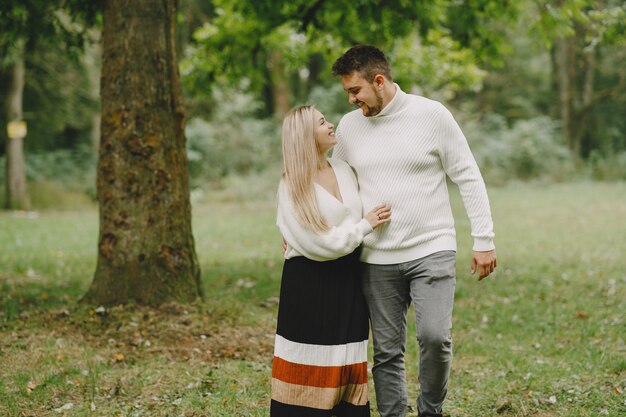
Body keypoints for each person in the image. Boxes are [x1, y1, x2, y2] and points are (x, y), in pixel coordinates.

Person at [331, 45, 497, 417]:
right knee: (387, 350)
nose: (351, 99)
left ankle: (430, 409)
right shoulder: (348, 127)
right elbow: (336, 186)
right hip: (375, 257)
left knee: (435, 338)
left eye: (355, 90)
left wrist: (484, 239)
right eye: (347, 93)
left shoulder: (431, 115)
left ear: (379, 81)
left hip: (431, 247)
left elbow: (467, 175)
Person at [271, 105, 391, 417]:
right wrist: (364, 225)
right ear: (304, 136)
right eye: (322, 122)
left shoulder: (343, 169)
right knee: (308, 363)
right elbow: (318, 244)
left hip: (348, 277)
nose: (330, 124)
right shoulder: (292, 185)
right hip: (310, 281)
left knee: (347, 357)